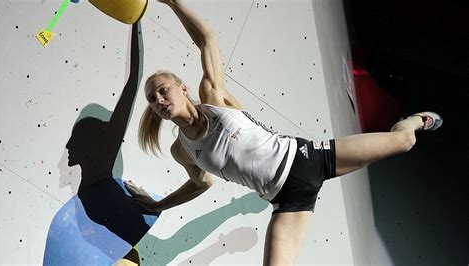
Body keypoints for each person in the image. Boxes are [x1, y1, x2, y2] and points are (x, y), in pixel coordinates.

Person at [125, 0, 443, 264]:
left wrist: (171, 2)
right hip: (287, 199)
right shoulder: (182, 151)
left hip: (307, 158)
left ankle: (415, 119)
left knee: (404, 140)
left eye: (163, 91)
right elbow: (199, 184)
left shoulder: (214, 96)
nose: (159, 101)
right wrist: (156, 206)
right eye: (153, 100)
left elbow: (207, 39)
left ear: (182, 88)